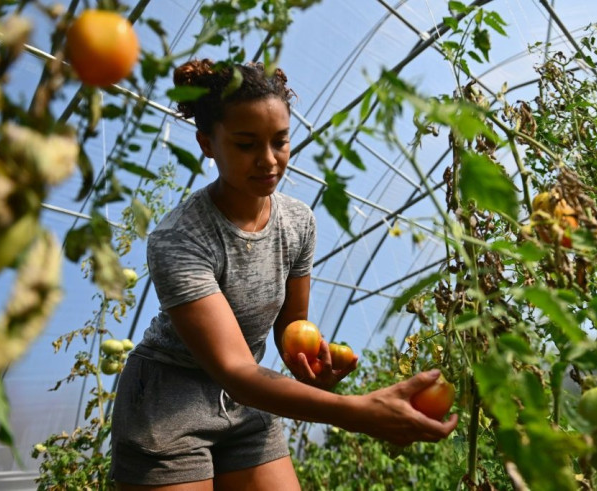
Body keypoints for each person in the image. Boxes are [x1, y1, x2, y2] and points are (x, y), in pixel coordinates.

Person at [109, 59, 458, 490]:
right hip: (168, 404)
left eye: (280, 141)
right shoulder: (180, 239)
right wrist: (360, 412)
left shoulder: (298, 222)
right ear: (207, 143)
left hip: (243, 402)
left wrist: (308, 360)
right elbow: (236, 369)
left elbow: (291, 324)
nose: (269, 160)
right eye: (246, 144)